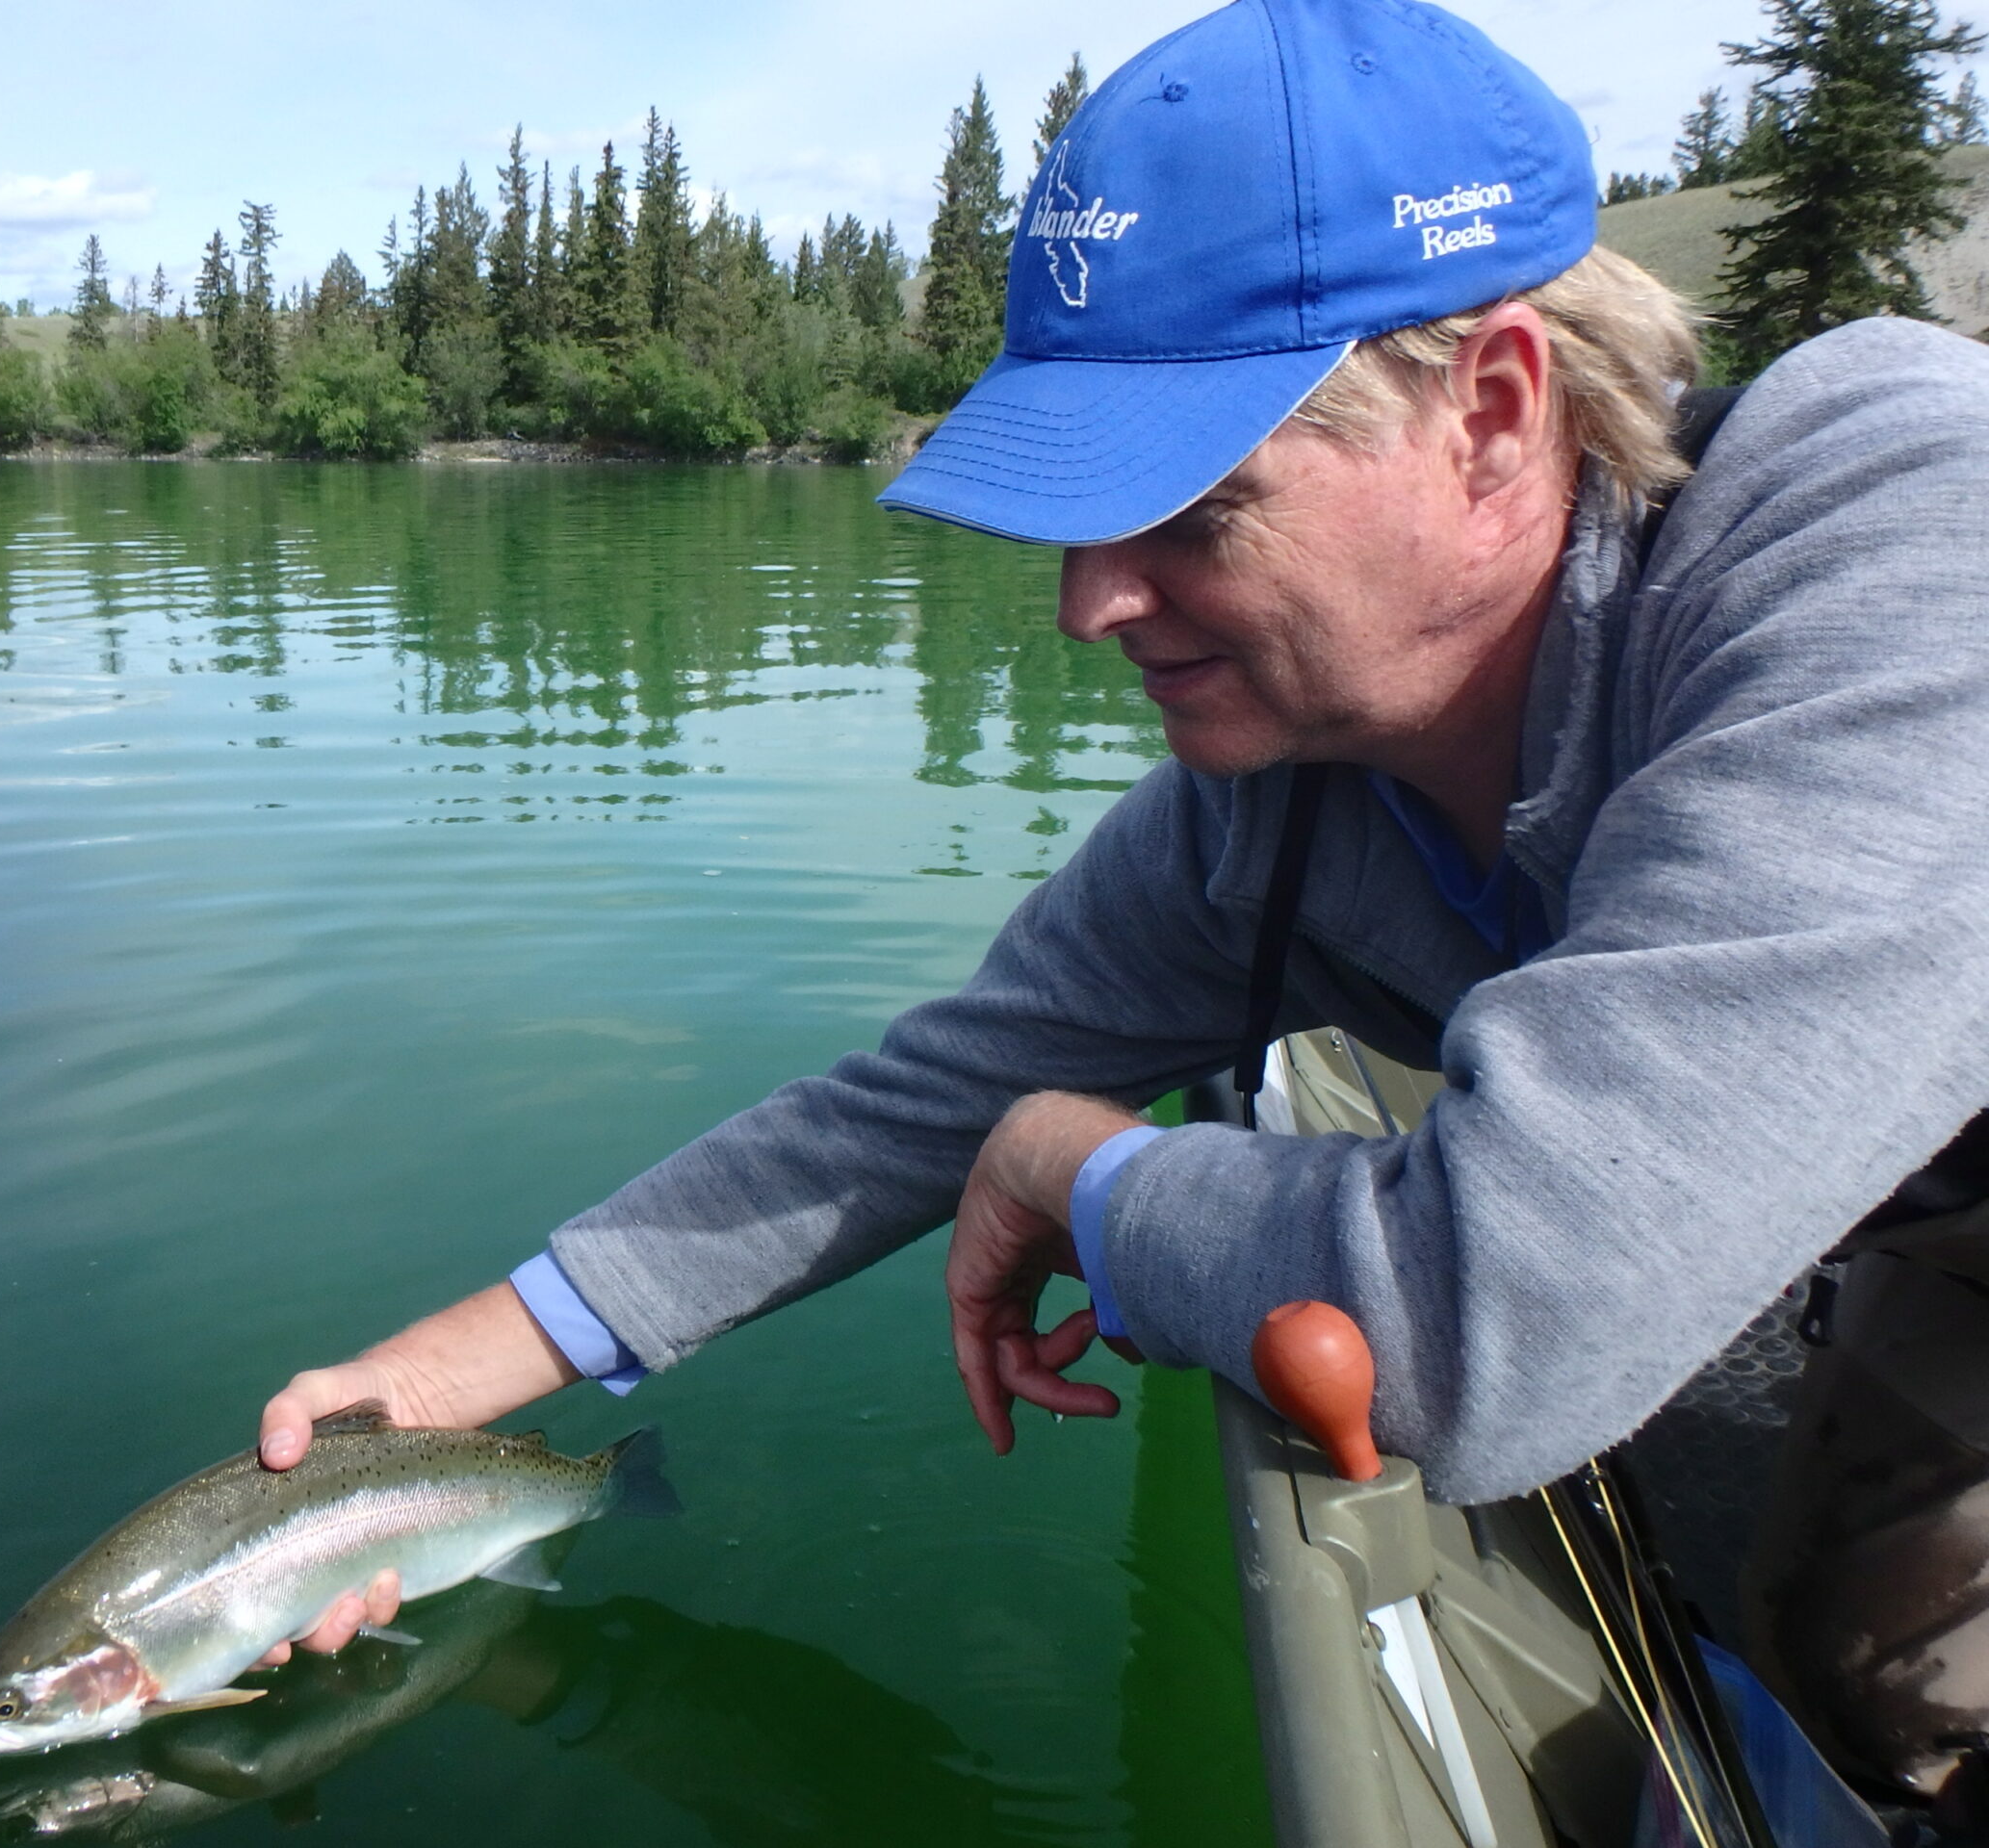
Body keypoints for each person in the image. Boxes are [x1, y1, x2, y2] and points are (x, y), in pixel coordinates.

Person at [255, 0, 1989, 1799]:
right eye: (1075, 518)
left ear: (1487, 410)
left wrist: (1076, 1174)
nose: (1090, 605)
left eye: (1192, 510)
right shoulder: (1272, 815)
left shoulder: (1910, 538)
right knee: (1859, 1663)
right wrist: (448, 1376)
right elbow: (915, 1101)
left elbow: (1494, 1317)